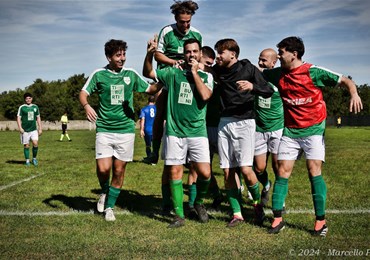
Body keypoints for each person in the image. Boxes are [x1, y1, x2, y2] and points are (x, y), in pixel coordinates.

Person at [264, 36, 363, 236]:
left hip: (313, 130)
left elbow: (345, 80)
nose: (279, 56)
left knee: (313, 170)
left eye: (282, 52)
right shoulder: (278, 74)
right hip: (290, 131)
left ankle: (321, 221)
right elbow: (258, 74)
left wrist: (354, 94)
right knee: (282, 171)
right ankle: (277, 219)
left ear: (294, 54)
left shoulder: (313, 71)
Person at [79, 39, 162, 222]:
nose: (122, 58)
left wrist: (164, 79)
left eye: (124, 54)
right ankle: (104, 190)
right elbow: (83, 93)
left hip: (125, 130)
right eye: (118, 55)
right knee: (103, 168)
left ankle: (109, 207)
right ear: (109, 57)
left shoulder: (130, 74)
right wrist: (86, 106)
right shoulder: (99, 74)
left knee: (118, 170)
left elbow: (150, 88)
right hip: (105, 129)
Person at [144, 37, 213, 228]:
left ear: (200, 53)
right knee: (174, 171)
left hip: (198, 132)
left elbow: (206, 96)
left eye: (194, 51)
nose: (191, 54)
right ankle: (179, 216)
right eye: (188, 51)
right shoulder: (173, 73)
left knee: (205, 174)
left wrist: (194, 72)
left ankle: (198, 202)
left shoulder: (207, 76)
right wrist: (150, 53)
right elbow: (148, 72)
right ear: (184, 53)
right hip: (175, 132)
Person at [143, 0, 203, 217]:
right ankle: (154, 151)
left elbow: (199, 56)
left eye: (188, 22)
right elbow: (157, 55)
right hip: (169, 78)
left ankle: (196, 201)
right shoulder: (166, 31)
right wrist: (172, 63)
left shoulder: (196, 33)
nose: (185, 26)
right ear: (176, 18)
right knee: (160, 112)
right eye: (182, 22)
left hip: (188, 79)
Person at [212, 39, 274, 227]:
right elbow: (204, 67)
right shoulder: (218, 70)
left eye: (221, 52)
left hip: (246, 122)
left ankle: (257, 205)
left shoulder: (248, 68)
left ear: (233, 54)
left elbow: (268, 90)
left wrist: (252, 87)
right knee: (227, 170)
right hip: (224, 122)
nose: (218, 56)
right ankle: (237, 214)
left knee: (247, 169)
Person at [186, 46, 224, 215]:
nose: (212, 64)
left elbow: (211, 71)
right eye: (208, 61)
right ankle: (194, 204)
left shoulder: (214, 73)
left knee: (229, 167)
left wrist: (201, 67)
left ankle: (233, 199)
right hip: (202, 126)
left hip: (220, 124)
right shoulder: (190, 74)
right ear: (201, 56)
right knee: (198, 167)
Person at [254, 48, 284, 207]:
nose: (260, 62)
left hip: (277, 128)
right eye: (259, 59)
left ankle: (281, 200)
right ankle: (266, 184)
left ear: (274, 62)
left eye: (264, 60)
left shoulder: (281, 79)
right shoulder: (255, 77)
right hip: (259, 129)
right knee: (258, 168)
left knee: (278, 166)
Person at [17, 92, 42, 166]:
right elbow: (18, 118)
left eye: (29, 98)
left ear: (32, 99)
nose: (28, 99)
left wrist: (40, 128)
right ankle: (27, 161)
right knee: (26, 145)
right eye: (26, 98)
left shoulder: (35, 107)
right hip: (25, 130)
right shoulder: (22, 107)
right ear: (25, 99)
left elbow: (38, 117)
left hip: (34, 129)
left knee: (35, 143)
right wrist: (20, 128)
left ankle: (34, 159)